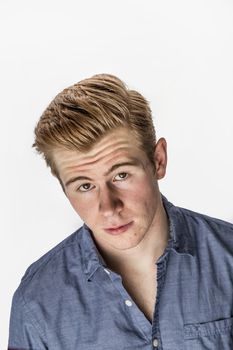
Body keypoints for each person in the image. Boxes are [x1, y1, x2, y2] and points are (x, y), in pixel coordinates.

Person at [8, 74, 233, 350]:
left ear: (158, 160)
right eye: (85, 185)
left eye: (121, 175)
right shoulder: (37, 302)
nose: (108, 208)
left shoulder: (228, 257)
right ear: (64, 190)